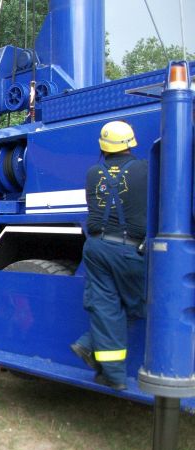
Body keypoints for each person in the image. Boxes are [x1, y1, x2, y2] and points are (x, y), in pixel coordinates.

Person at [71, 121, 148, 391]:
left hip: (96, 248)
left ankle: (110, 373)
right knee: (141, 304)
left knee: (106, 308)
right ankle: (90, 345)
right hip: (129, 249)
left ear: (103, 146)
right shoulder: (145, 169)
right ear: (131, 143)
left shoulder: (93, 173)